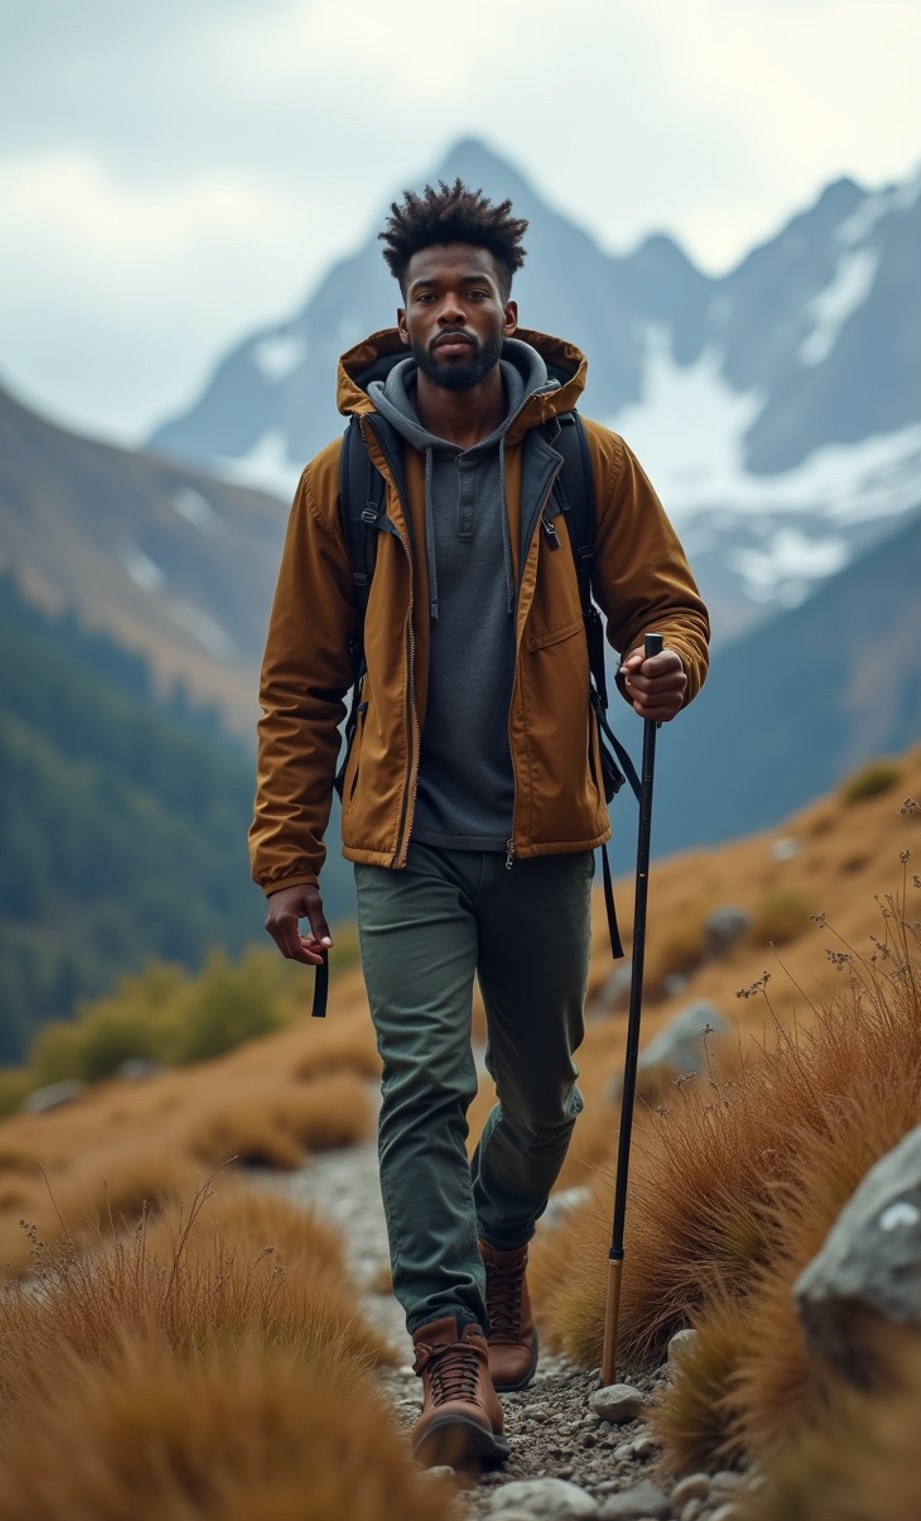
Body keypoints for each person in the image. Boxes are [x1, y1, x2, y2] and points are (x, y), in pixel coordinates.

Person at [249, 179, 710, 1469]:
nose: (451, 312)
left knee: (545, 1099)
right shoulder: (339, 481)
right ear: (399, 321)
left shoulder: (584, 460)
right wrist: (288, 860)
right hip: (400, 845)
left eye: (472, 293)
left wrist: (666, 660)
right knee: (424, 1085)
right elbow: (298, 686)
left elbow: (668, 609)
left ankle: (503, 1237)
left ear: (510, 312)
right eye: (428, 296)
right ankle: (450, 1350)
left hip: (548, 835)